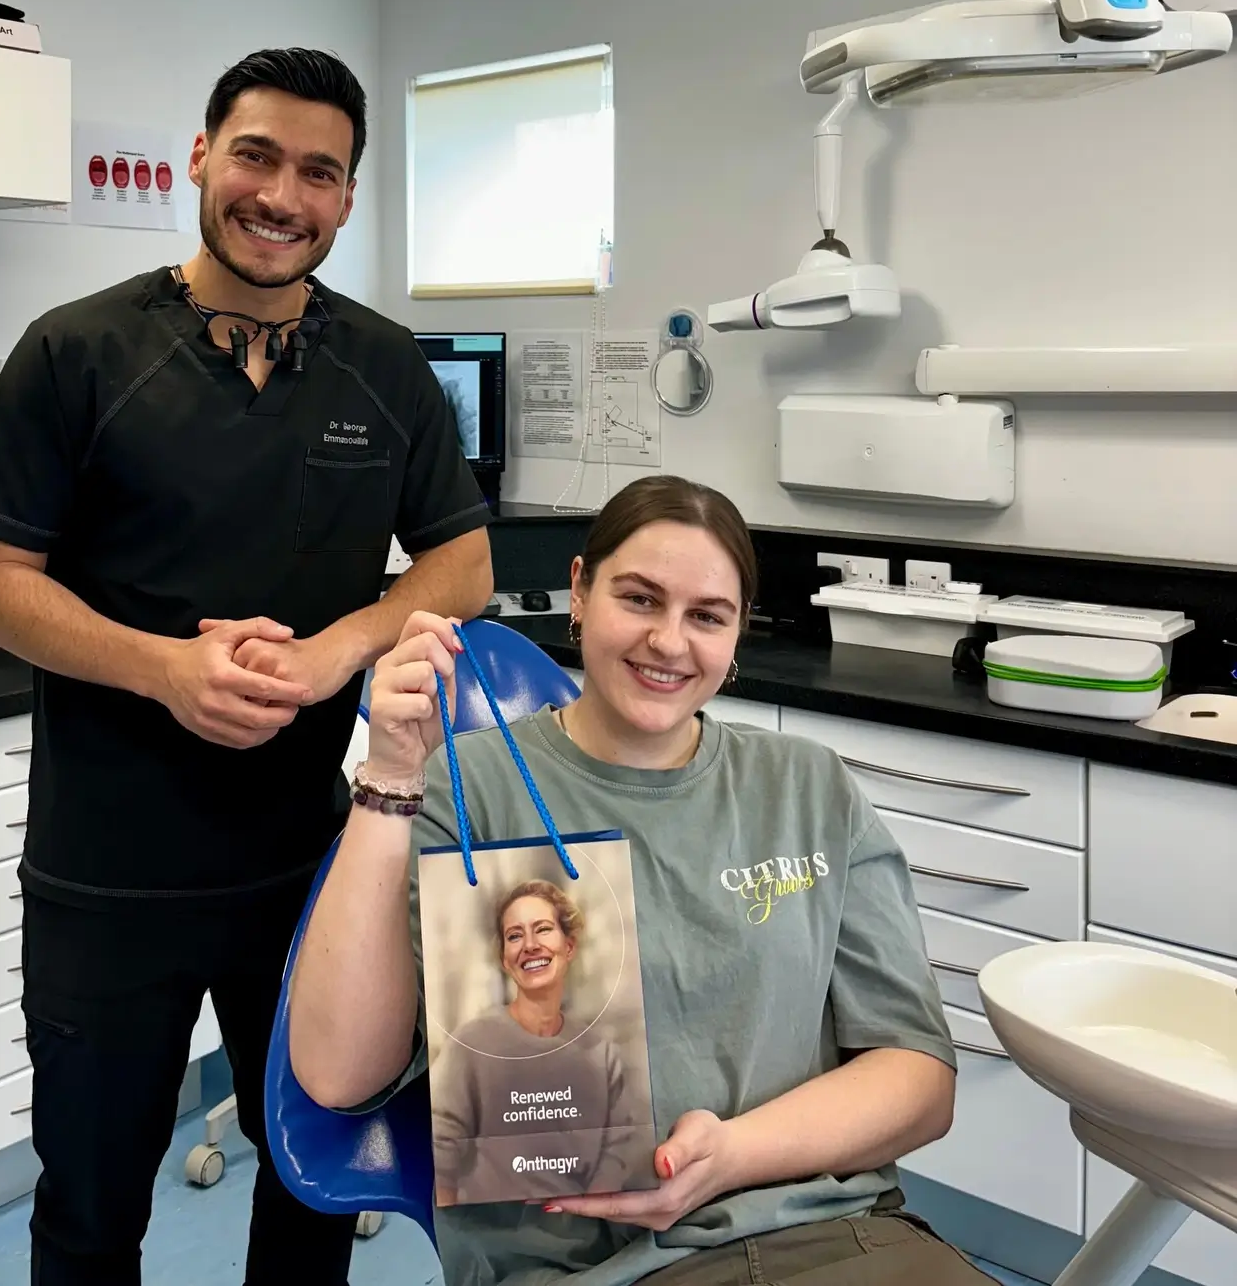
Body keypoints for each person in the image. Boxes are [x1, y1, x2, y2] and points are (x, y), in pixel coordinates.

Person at [0, 48, 493, 1286]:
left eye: (319, 171)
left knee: (310, 1192)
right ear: (202, 158)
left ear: (348, 198)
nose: (282, 195)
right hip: (107, 876)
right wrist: (161, 671)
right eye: (256, 155)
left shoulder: (385, 365)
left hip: (315, 876)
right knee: (90, 1208)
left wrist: (335, 652)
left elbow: (456, 564)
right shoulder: (78, 352)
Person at [290, 474, 996, 1286]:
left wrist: (731, 1156)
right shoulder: (468, 787)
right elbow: (340, 1076)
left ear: (737, 637)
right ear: (580, 591)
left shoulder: (809, 789)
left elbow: (916, 1080)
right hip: (591, 1265)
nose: (669, 641)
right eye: (640, 598)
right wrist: (386, 781)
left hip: (832, 1236)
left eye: (707, 617)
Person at [432, 878, 653, 1206]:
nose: (530, 945)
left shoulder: (601, 1052)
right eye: (515, 936)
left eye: (543, 929)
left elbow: (619, 1147)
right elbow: (442, 1156)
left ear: (569, 946)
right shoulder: (470, 1045)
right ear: (506, 959)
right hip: (496, 1237)